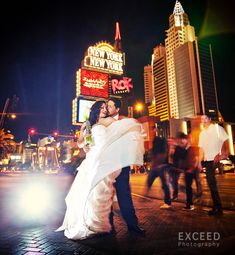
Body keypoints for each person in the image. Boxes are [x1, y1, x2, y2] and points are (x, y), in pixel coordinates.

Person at [56, 101, 144, 239]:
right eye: (102, 107)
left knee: (114, 193)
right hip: (93, 160)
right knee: (93, 193)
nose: (105, 109)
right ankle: (99, 225)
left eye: (106, 107)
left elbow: (123, 128)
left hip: (110, 160)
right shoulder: (87, 125)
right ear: (95, 109)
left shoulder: (109, 121)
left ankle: (125, 225)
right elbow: (80, 144)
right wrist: (84, 138)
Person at [107, 98, 145, 234]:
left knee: (125, 195)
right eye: (106, 106)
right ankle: (109, 226)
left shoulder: (124, 122)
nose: (107, 108)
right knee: (107, 196)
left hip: (122, 165)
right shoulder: (102, 123)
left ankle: (133, 226)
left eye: (110, 106)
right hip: (107, 166)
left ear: (117, 109)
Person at [198, 114, 229, 216]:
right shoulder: (202, 133)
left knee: (211, 182)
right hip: (207, 160)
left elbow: (225, 139)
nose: (204, 120)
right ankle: (216, 207)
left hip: (214, 159)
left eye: (206, 118)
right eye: (202, 119)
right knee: (211, 183)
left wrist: (223, 153)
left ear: (210, 119)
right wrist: (198, 162)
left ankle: (218, 208)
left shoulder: (217, 128)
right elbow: (201, 149)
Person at [145, 136, 172, 209]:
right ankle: (167, 202)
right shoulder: (164, 149)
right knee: (164, 185)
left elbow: (153, 158)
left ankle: (167, 202)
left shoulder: (157, 150)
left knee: (153, 182)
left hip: (158, 168)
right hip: (160, 167)